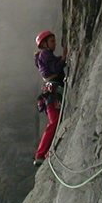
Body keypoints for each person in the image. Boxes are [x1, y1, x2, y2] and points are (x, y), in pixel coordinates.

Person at [33, 30, 67, 166]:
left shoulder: (45, 55)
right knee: (54, 122)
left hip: (52, 92)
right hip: (52, 92)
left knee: (56, 122)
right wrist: (64, 57)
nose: (55, 44)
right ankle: (40, 154)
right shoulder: (45, 54)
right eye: (52, 41)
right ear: (45, 44)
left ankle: (45, 152)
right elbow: (56, 67)